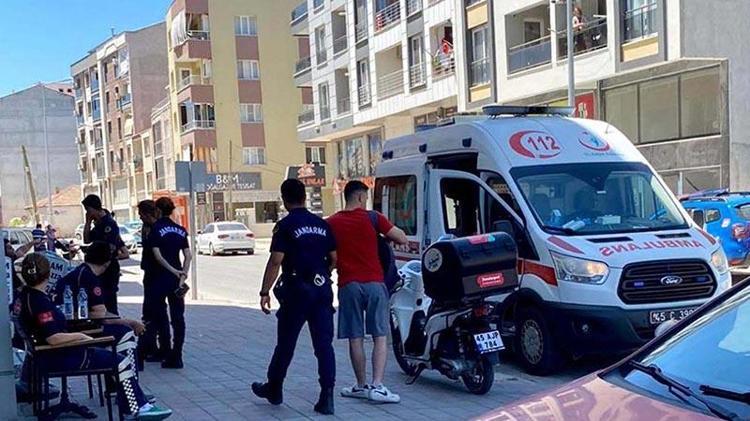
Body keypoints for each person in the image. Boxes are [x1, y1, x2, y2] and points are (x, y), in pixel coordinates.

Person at [13, 253, 172, 420]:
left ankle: (133, 402)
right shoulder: (40, 302)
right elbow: (53, 338)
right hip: (61, 356)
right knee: (121, 361)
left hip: (44, 355)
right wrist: (82, 337)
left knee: (116, 352)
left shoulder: (24, 296)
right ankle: (136, 408)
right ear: (48, 274)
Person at [251, 179, 337, 415]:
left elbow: (276, 260)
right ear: (305, 197)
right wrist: (322, 275)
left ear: (284, 199)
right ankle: (327, 396)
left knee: (286, 343)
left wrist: (264, 291)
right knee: (324, 345)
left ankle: (274, 388)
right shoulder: (322, 224)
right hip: (321, 290)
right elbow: (334, 258)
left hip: (296, 292)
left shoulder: (285, 226)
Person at [327, 180, 408, 404]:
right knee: (379, 336)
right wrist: (386, 237)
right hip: (375, 283)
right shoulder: (373, 218)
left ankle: (361, 385)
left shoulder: (331, 222)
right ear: (361, 197)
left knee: (355, 337)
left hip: (348, 285)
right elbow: (401, 237)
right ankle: (378, 385)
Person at [149, 197, 192, 369]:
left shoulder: (155, 229)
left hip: (159, 279)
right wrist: (182, 275)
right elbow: (188, 255)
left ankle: (165, 350)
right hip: (176, 281)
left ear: (158, 210)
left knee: (160, 315)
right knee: (178, 318)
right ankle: (177, 354)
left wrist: (173, 270)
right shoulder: (181, 230)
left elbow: (157, 256)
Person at [82, 194, 129, 314]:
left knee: (109, 302)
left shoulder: (109, 223)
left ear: (92, 208)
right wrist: (87, 222)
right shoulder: (98, 224)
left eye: (88, 210)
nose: (87, 213)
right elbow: (86, 239)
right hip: (98, 267)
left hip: (107, 268)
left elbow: (111, 248)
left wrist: (102, 261)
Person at [137, 200, 170, 363]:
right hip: (150, 274)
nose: (140, 218)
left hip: (156, 275)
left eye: (141, 215)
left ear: (147, 214)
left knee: (158, 313)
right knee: (151, 313)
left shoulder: (157, 229)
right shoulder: (148, 228)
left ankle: (162, 348)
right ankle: (150, 346)